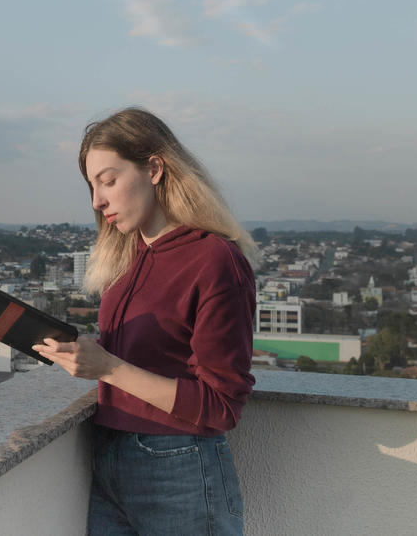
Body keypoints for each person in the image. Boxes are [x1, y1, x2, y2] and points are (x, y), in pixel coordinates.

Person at [33, 107, 259, 535]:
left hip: (179, 467)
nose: (97, 201)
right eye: (92, 186)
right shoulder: (126, 260)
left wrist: (108, 368)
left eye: (108, 180)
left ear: (154, 168)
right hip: (110, 458)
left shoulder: (214, 259)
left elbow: (222, 405)